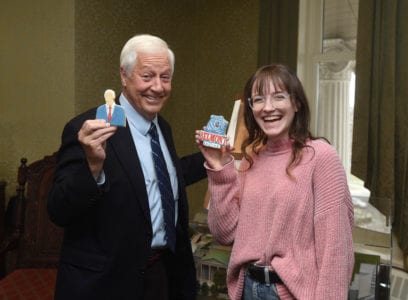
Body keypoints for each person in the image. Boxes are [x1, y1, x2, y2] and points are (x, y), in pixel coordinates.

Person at [47, 34, 206, 300]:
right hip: (105, 284)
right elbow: (58, 210)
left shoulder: (162, 127)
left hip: (160, 275)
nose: (157, 87)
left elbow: (162, 178)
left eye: (165, 77)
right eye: (147, 76)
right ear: (124, 75)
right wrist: (93, 167)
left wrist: (211, 159)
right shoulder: (87, 128)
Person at [195, 64, 354, 299]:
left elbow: (336, 250)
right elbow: (224, 233)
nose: (268, 108)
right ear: (251, 108)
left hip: (291, 294)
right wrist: (219, 169)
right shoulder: (252, 160)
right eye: (258, 100)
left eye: (278, 97)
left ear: (296, 103)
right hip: (247, 288)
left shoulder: (320, 156)